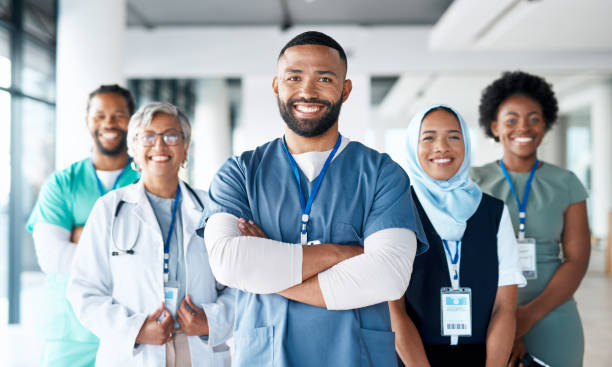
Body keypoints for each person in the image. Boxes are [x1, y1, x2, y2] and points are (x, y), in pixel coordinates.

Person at [200, 31, 427, 367]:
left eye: (324, 78)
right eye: (294, 77)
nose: (307, 91)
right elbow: (228, 263)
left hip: (356, 356)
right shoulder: (240, 173)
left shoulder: (381, 173)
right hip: (267, 356)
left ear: (345, 90)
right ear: (276, 85)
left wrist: (267, 274)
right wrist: (341, 253)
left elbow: (388, 276)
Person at [67, 102, 234, 366]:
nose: (159, 146)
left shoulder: (212, 209)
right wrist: (136, 329)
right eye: (147, 137)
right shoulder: (109, 209)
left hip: (198, 346)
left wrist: (211, 321)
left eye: (171, 136)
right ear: (133, 148)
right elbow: (84, 291)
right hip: (136, 350)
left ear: (185, 147)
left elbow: (238, 285)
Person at [389, 105, 525, 366]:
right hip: (413, 357)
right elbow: (394, 310)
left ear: (467, 144)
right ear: (412, 146)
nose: (442, 147)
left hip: (483, 356)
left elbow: (504, 307)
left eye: (454, 136)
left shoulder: (494, 212)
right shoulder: (397, 210)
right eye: (428, 137)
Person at [471, 71, 590, 367]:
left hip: (554, 312)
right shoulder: (474, 182)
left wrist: (528, 315)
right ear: (494, 126)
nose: (523, 127)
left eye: (534, 118)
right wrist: (507, 320)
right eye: (511, 120)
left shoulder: (566, 182)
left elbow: (577, 260)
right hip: (490, 311)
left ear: (546, 124)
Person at [26, 84, 140, 366]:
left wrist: (83, 236)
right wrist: (123, 247)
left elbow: (158, 251)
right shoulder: (63, 183)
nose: (109, 123)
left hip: (131, 325)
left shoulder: (146, 181)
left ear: (133, 119)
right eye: (99, 115)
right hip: (70, 332)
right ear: (87, 121)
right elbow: (52, 258)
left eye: (118, 115)